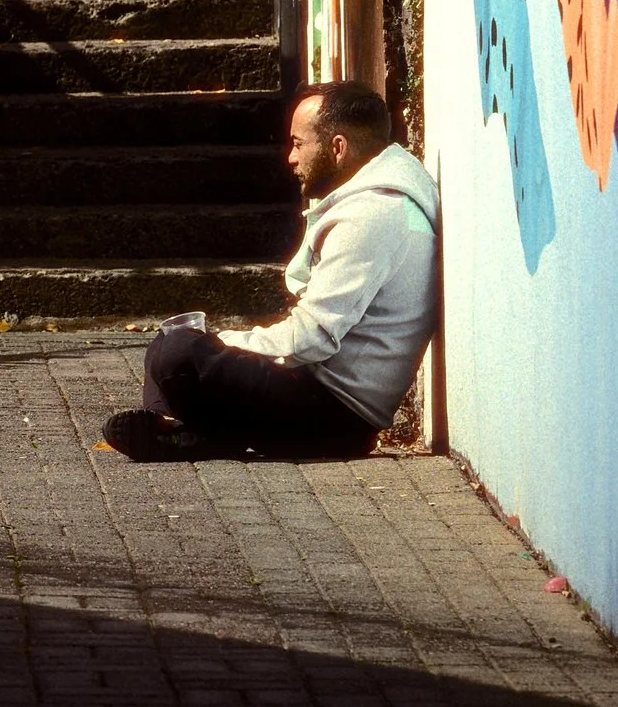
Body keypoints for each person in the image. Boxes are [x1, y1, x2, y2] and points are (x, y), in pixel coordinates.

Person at [105, 79, 438, 461]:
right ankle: (193, 435)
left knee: (179, 352)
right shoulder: (376, 203)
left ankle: (192, 432)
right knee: (172, 342)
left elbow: (310, 339)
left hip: (336, 418)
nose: (291, 158)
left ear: (338, 148)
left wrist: (224, 342)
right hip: (318, 396)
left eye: (299, 144)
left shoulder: (372, 216)